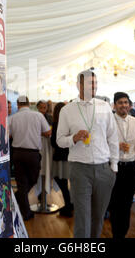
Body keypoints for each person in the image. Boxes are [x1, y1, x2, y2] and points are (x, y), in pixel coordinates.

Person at [56, 69, 118, 238]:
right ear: (79, 85)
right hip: (79, 169)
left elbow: (113, 136)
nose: (94, 86)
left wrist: (114, 166)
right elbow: (60, 140)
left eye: (95, 82)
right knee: (82, 218)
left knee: (98, 218)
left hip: (104, 169)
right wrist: (73, 138)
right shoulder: (67, 110)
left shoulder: (104, 107)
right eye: (90, 82)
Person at [9, 95, 51, 220]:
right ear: (28, 103)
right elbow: (48, 132)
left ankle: (20, 204)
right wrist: (37, 132)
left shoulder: (12, 118)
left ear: (18, 104)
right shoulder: (38, 116)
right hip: (33, 154)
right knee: (33, 180)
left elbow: (8, 135)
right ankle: (25, 210)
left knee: (22, 183)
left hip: (17, 153)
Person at [108, 92, 135, 238]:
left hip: (131, 166)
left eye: (126, 102)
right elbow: (102, 143)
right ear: (115, 105)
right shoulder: (108, 121)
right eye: (120, 102)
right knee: (115, 203)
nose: (124, 105)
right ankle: (116, 233)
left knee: (127, 203)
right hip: (114, 167)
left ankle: (123, 233)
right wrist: (116, 146)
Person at [50, 102, 73, 217]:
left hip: (59, 157)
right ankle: (70, 204)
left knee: (61, 182)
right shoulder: (70, 123)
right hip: (70, 156)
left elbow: (53, 142)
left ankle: (68, 206)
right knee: (70, 182)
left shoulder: (56, 123)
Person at [0, 74, 9, 156]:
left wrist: (6, 134)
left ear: (2, 84)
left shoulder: (4, 97)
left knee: (3, 151)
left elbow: (6, 117)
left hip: (3, 127)